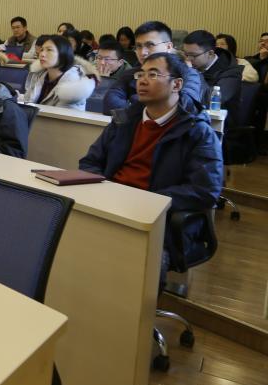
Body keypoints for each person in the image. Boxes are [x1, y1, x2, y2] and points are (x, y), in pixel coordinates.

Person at [79, 53, 223, 266]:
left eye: (153, 74)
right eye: (141, 74)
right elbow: (90, 162)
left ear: (177, 84)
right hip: (112, 206)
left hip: (158, 218)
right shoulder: (124, 120)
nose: (143, 81)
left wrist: (147, 201)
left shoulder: (197, 131)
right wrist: (106, 191)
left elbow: (205, 190)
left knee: (132, 261)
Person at [104, 21, 206, 115]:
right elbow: (109, 102)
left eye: (150, 45)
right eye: (138, 46)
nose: (143, 52)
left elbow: (186, 106)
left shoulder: (188, 74)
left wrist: (134, 103)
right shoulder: (131, 73)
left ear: (168, 47)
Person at [22, 35, 96, 110]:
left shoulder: (73, 85)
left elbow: (64, 116)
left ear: (63, 54)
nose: (42, 54)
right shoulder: (39, 75)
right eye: (42, 50)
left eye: (49, 50)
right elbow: (27, 101)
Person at [182, 30, 242, 119]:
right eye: (186, 54)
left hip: (218, 123)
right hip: (189, 116)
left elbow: (208, 101)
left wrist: (193, 73)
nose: (188, 59)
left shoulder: (231, 73)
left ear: (210, 53)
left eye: (193, 55)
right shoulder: (192, 65)